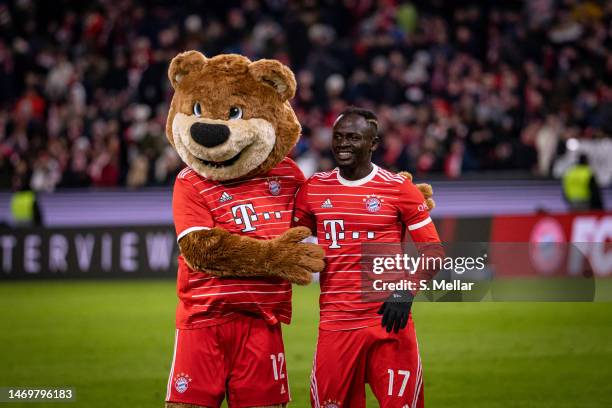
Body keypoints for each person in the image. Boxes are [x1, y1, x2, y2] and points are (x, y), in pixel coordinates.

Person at [293, 107, 443, 407]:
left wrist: (407, 290)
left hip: (388, 322)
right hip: (336, 324)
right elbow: (289, 241)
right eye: (338, 137)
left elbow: (434, 252)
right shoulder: (313, 188)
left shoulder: (399, 188)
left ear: (373, 144)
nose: (343, 144)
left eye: (353, 137)